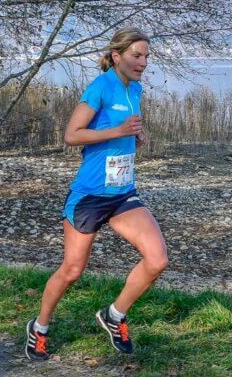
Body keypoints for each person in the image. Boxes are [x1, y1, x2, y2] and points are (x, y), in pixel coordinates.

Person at [26, 28, 168, 361]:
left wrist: (137, 135)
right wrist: (117, 131)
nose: (143, 62)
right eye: (136, 55)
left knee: (157, 259)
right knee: (72, 270)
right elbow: (71, 135)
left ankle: (114, 315)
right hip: (89, 195)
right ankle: (40, 327)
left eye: (146, 56)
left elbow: (125, 126)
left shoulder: (136, 89)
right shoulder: (99, 87)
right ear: (117, 56)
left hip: (122, 194)